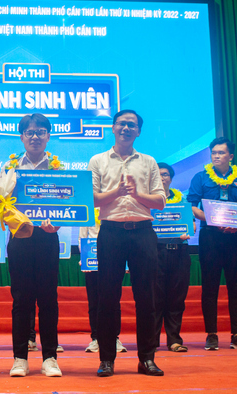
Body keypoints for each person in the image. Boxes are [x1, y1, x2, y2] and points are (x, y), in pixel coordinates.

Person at [89, 109, 166, 377]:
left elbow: (160, 201)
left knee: (147, 297)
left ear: (138, 132)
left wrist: (137, 194)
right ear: (113, 127)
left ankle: (147, 359)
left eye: (131, 125)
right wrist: (117, 192)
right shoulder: (98, 160)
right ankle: (106, 359)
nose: (126, 128)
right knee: (108, 297)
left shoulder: (148, 161)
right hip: (111, 232)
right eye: (121, 123)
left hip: (143, 233)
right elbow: (91, 199)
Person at [4, 113, 62, 378]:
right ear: (22, 137)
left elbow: (65, 203)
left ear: (48, 136)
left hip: (48, 237)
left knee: (48, 299)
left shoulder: (59, 169)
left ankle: (50, 357)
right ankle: (20, 358)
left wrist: (57, 224)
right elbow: (1, 202)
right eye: (30, 132)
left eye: (40, 132)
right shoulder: (10, 168)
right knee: (21, 300)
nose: (35, 136)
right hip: (20, 238)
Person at [187, 137, 237, 351]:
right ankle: (211, 335)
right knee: (210, 287)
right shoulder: (200, 177)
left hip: (236, 237)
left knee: (236, 287)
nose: (216, 156)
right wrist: (211, 219)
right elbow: (192, 206)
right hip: (210, 237)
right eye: (214, 153)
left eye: (221, 153)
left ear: (230, 156)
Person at [154, 162, 191, 352]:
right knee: (154, 298)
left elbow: (190, 223)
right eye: (158, 174)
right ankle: (151, 342)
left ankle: (174, 340)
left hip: (179, 252)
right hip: (155, 253)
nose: (162, 178)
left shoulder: (182, 200)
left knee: (177, 298)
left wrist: (188, 229)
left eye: (166, 174)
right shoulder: (147, 200)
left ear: (171, 178)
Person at [79, 212, 127, 355]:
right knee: (94, 301)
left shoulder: (113, 209)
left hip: (113, 257)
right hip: (91, 261)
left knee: (113, 300)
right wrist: (85, 257)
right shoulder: (88, 210)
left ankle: (114, 338)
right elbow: (82, 237)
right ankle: (95, 338)